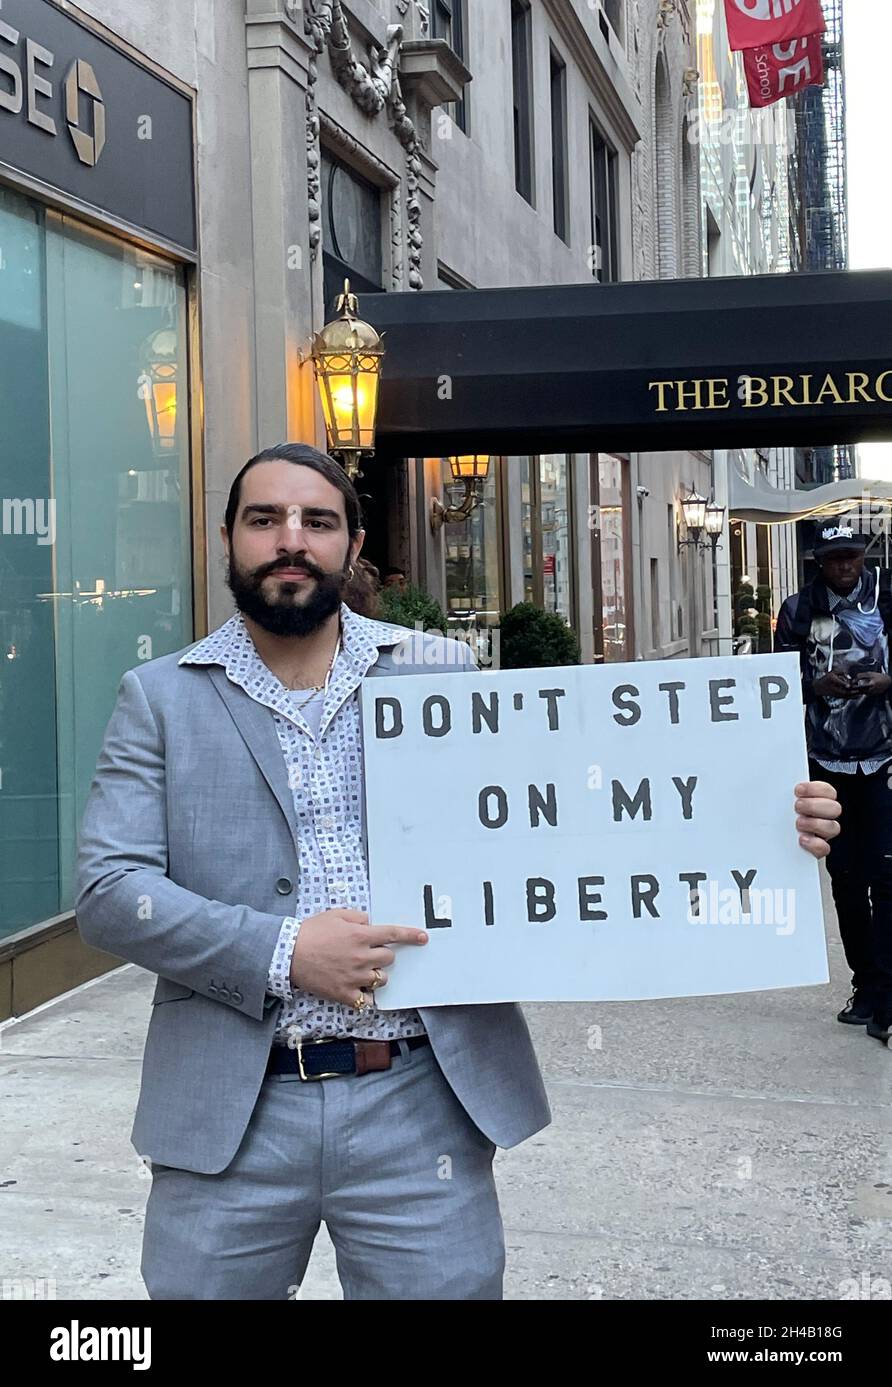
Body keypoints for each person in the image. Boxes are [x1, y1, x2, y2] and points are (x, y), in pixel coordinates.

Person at [75, 443, 843, 1301]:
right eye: (265, 519)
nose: (290, 539)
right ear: (229, 538)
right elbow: (111, 892)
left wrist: (752, 823)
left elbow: (569, 822)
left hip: (418, 1098)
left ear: (353, 545)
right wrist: (284, 951)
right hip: (231, 1108)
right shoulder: (160, 697)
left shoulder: (439, 674)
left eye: (317, 521)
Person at [775, 517, 892, 1045]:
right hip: (826, 763)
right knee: (846, 881)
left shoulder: (887, 599)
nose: (843, 566)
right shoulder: (797, 611)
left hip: (886, 758)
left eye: (851, 556)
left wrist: (888, 681)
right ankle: (865, 985)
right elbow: (773, 685)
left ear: (863, 555)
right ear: (817, 562)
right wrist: (812, 683)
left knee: (888, 879)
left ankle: (887, 992)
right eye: (832, 559)